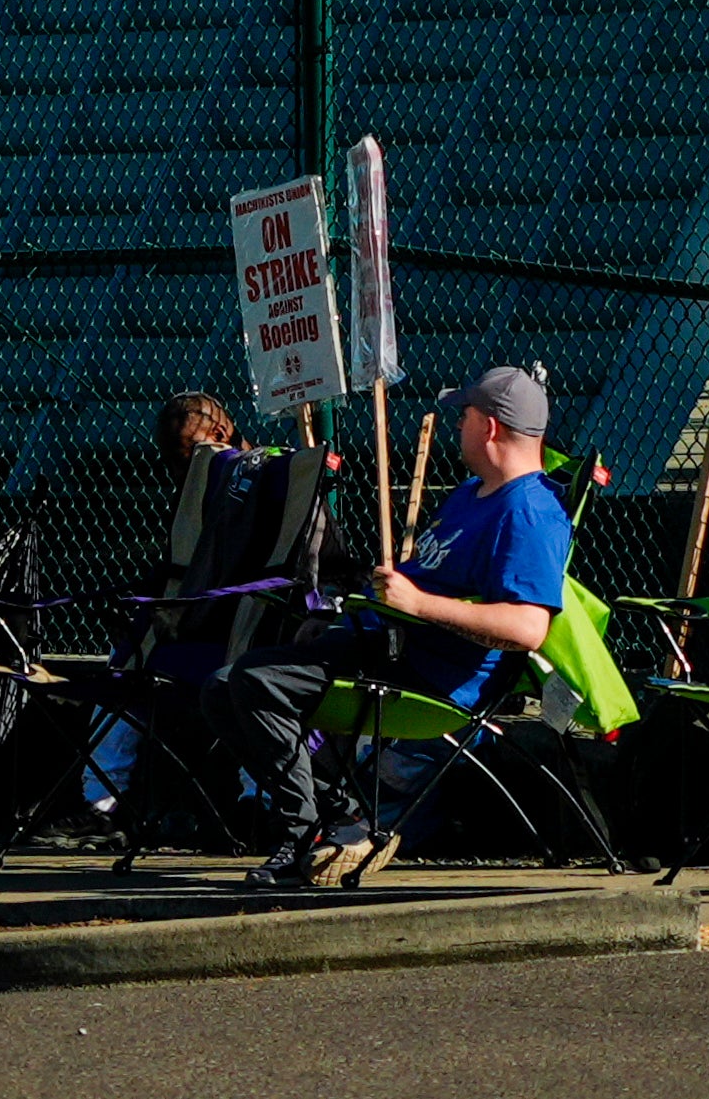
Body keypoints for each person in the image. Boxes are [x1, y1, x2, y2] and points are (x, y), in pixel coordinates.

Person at [207, 361, 571, 886]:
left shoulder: (529, 514)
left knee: (257, 683)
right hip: (388, 648)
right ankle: (336, 815)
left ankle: (304, 833)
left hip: (436, 679)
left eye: (464, 416)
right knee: (221, 688)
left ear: (490, 426)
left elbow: (526, 628)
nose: (457, 426)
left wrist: (418, 605)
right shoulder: (471, 495)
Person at [71, 394, 247, 833]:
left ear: (219, 435)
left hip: (232, 636)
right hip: (183, 631)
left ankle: (258, 805)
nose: (176, 469)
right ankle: (101, 802)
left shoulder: (248, 485)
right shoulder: (196, 487)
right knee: (121, 669)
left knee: (246, 681)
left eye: (182, 455)